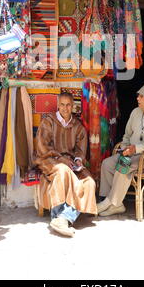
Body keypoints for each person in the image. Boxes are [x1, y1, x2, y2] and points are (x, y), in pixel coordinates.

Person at [97, 82, 144, 217]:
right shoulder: (136, 112)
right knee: (107, 163)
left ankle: (110, 203)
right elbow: (127, 135)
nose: (137, 98)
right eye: (138, 96)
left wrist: (136, 148)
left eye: (141, 96)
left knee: (124, 164)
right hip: (131, 153)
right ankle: (112, 202)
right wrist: (125, 147)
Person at [34, 92, 97, 237]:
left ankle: (63, 218)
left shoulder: (78, 126)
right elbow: (42, 147)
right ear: (58, 105)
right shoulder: (48, 122)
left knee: (89, 182)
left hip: (69, 162)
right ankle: (59, 216)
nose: (65, 108)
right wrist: (60, 158)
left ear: (73, 106)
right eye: (62, 104)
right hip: (50, 159)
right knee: (62, 171)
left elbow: (80, 151)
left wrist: (78, 161)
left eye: (68, 104)